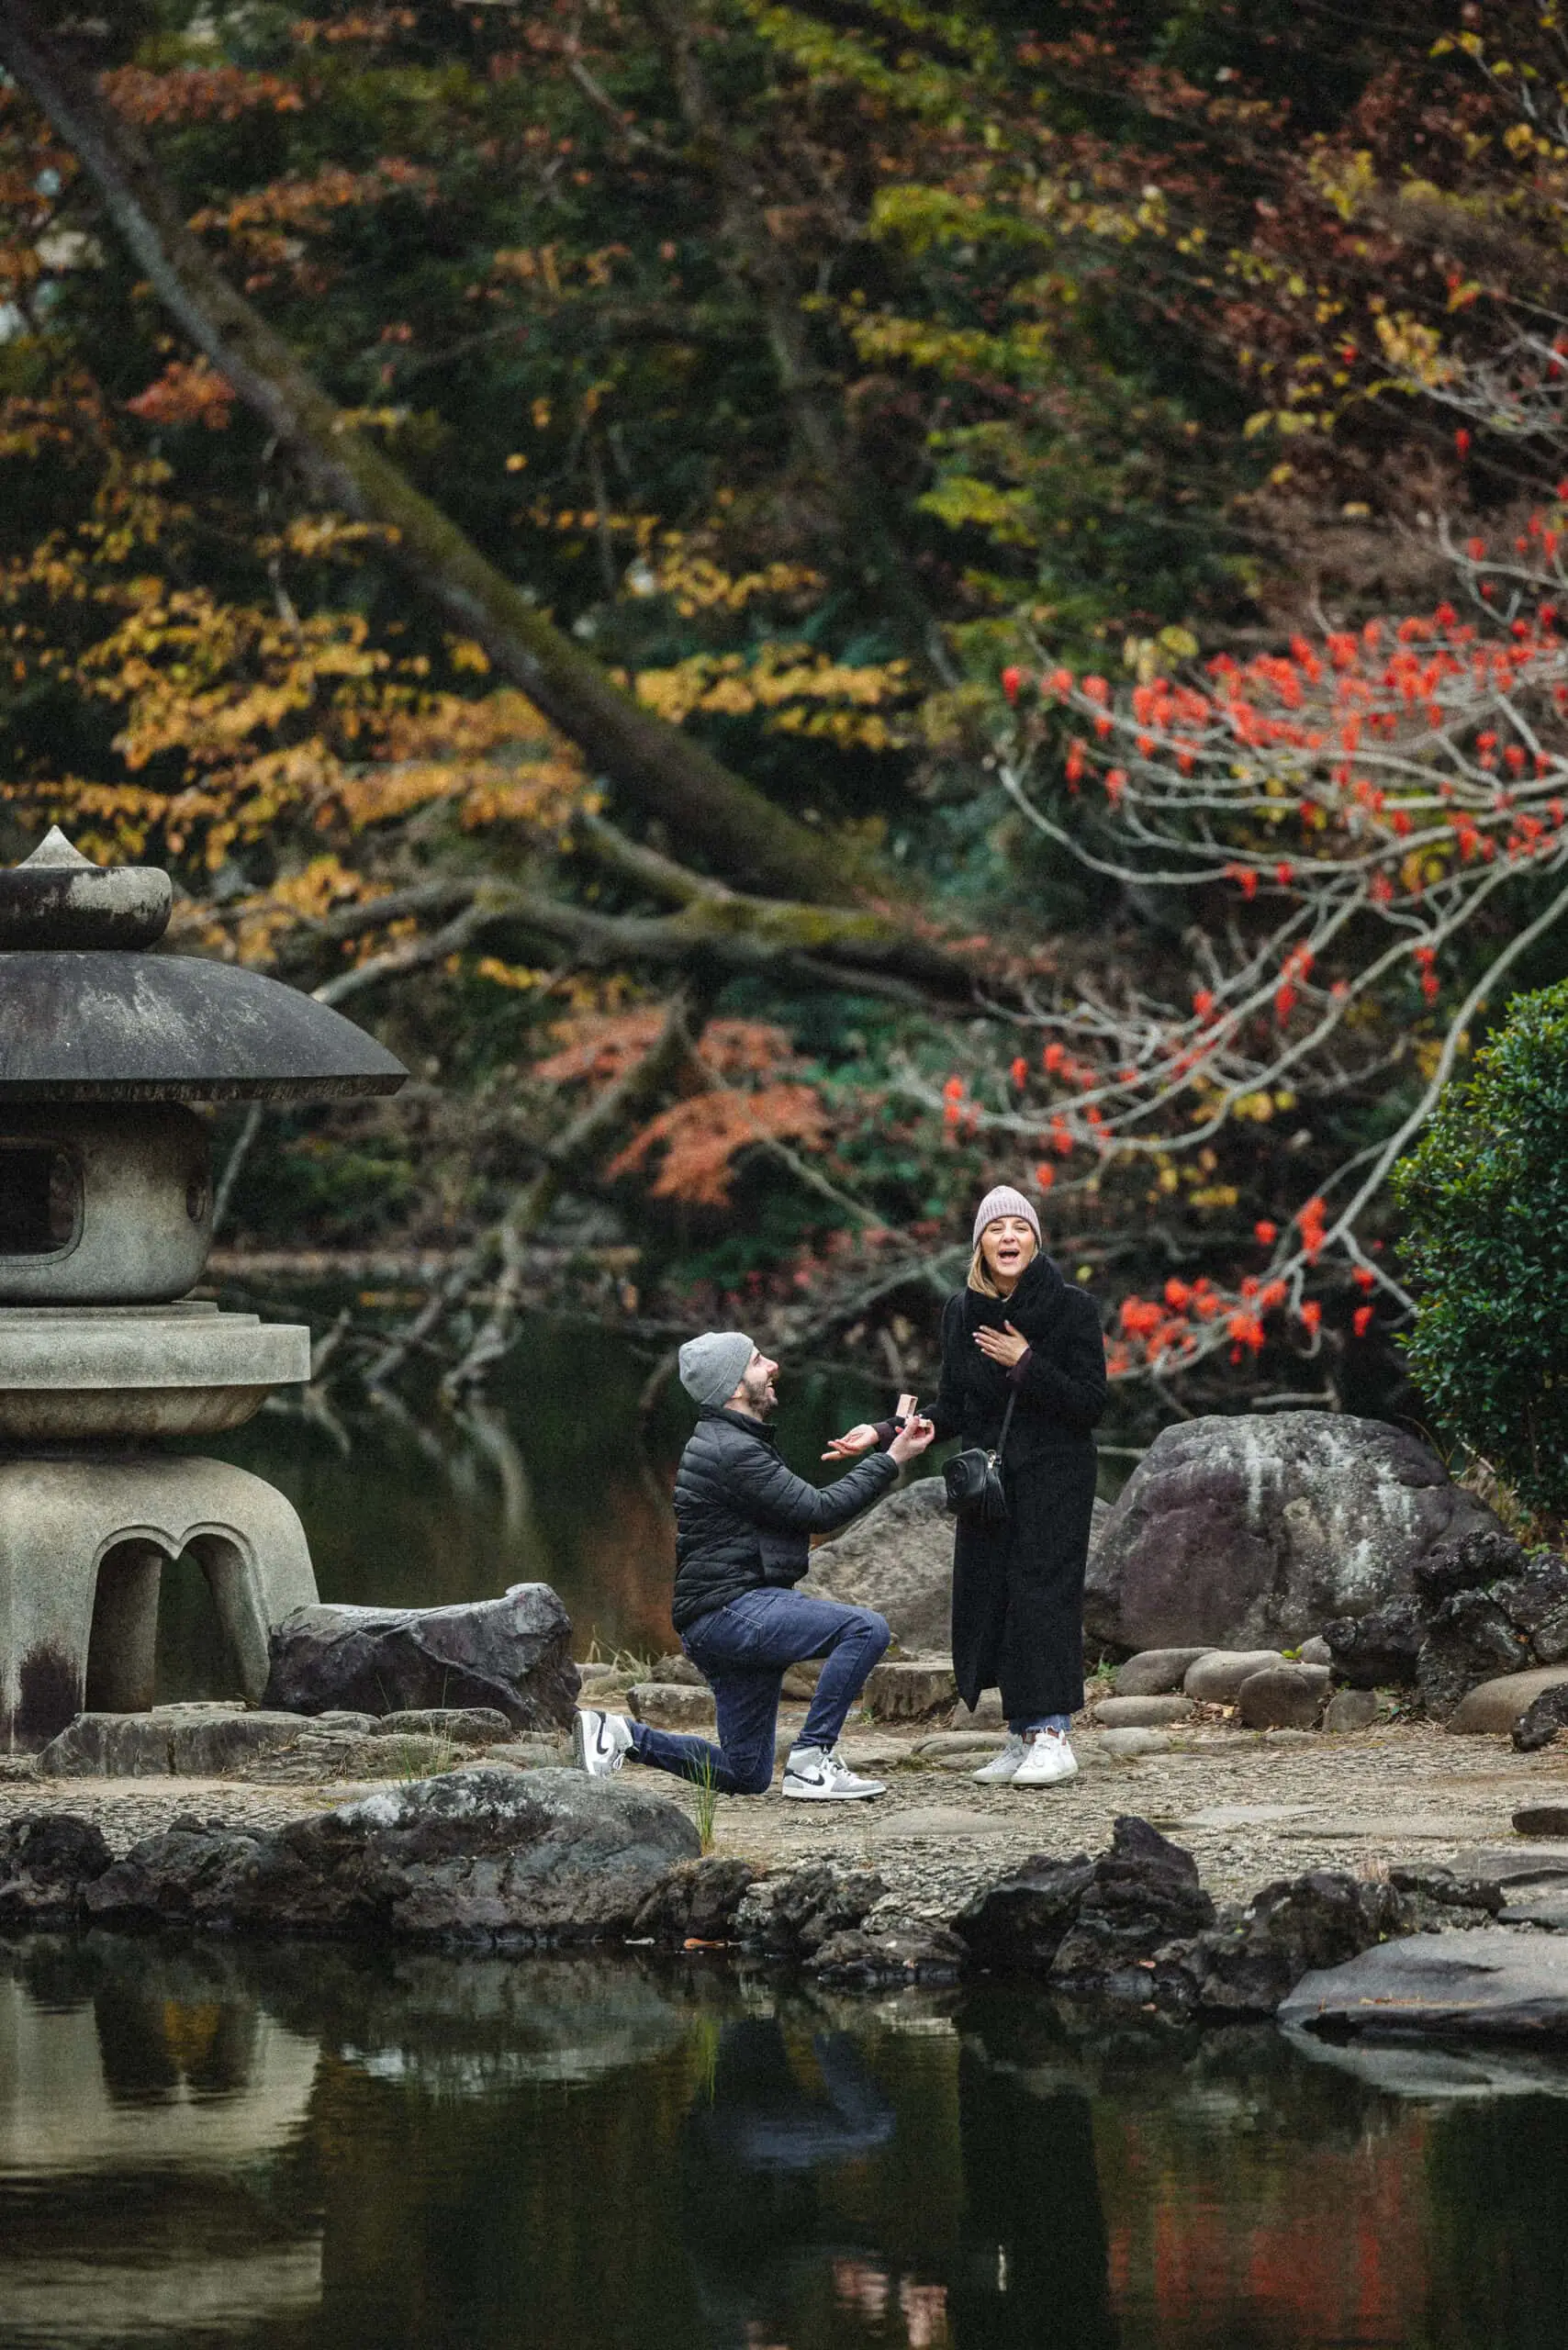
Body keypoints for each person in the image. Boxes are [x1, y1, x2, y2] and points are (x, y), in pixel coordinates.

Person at [575, 1329, 935, 1800]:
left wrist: (885, 1437)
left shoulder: (733, 1440)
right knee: (865, 1629)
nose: (773, 1367)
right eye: (759, 1361)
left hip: (722, 1620)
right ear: (733, 1388)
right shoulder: (733, 1450)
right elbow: (819, 1511)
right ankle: (812, 1760)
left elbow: (799, 1509)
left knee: (745, 1774)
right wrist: (891, 1459)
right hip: (730, 1614)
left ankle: (619, 1735)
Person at [827, 1185, 1105, 1789]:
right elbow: (952, 1406)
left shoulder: (1071, 1309)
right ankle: (1020, 1733)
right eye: (996, 1228)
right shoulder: (961, 1311)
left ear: (1035, 1239)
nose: (1009, 1237)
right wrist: (883, 1431)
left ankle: (1054, 1733)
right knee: (994, 1596)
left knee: (1041, 1594)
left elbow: (1090, 1404)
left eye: (1019, 1227)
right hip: (988, 1480)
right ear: (980, 1242)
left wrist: (1026, 1361)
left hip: (1056, 1473)